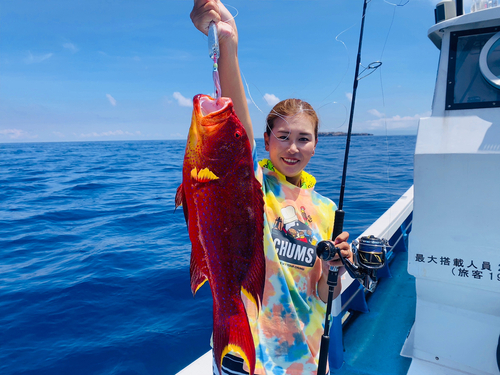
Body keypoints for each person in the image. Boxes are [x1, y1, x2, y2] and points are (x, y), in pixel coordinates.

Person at [190, 1, 353, 374]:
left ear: (315, 144)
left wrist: (333, 270)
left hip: (306, 356)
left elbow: (324, 294)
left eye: (304, 138)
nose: (293, 148)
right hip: (249, 353)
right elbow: (236, 130)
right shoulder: (255, 185)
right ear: (266, 141)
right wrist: (227, 42)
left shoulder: (326, 209)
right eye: (283, 137)